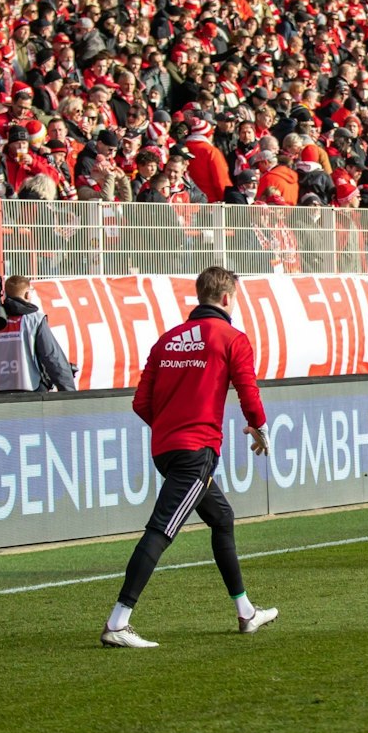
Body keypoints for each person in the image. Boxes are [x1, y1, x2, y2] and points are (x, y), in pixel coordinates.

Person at [101, 265, 276, 648]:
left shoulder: (167, 340)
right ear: (228, 298)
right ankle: (118, 622)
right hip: (195, 452)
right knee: (162, 530)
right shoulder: (231, 338)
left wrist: (168, 428)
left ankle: (246, 612)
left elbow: (140, 402)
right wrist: (260, 429)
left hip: (167, 450)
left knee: (221, 517)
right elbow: (248, 392)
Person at [0, 271, 77, 392]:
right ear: (27, 294)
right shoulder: (35, 320)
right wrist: (69, 393)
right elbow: (53, 359)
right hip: (31, 392)